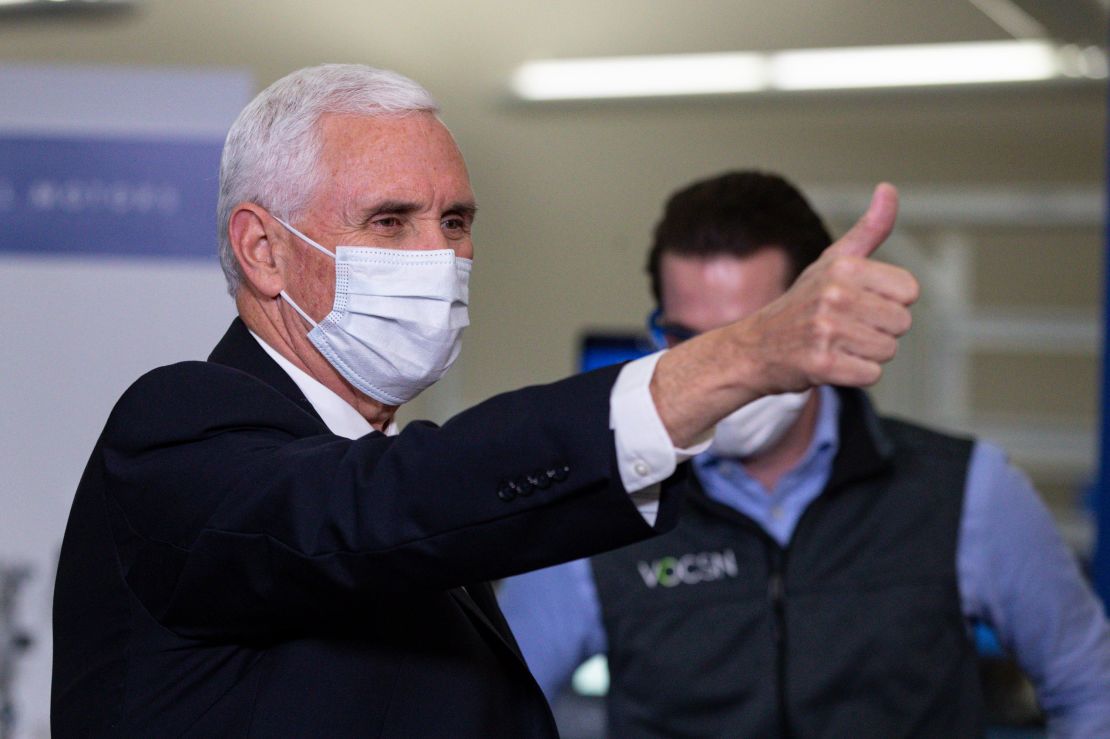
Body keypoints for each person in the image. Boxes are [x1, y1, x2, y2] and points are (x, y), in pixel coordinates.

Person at [50, 67, 917, 737]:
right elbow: (377, 507)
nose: (440, 257)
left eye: (456, 222)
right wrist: (742, 355)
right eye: (390, 222)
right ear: (264, 251)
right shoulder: (179, 433)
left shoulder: (406, 498)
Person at [498, 170, 1110, 738]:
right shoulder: (601, 517)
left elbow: (1092, 690)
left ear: (819, 320)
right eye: (690, 339)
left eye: (756, 332)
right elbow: (490, 712)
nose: (725, 366)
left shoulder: (966, 492)